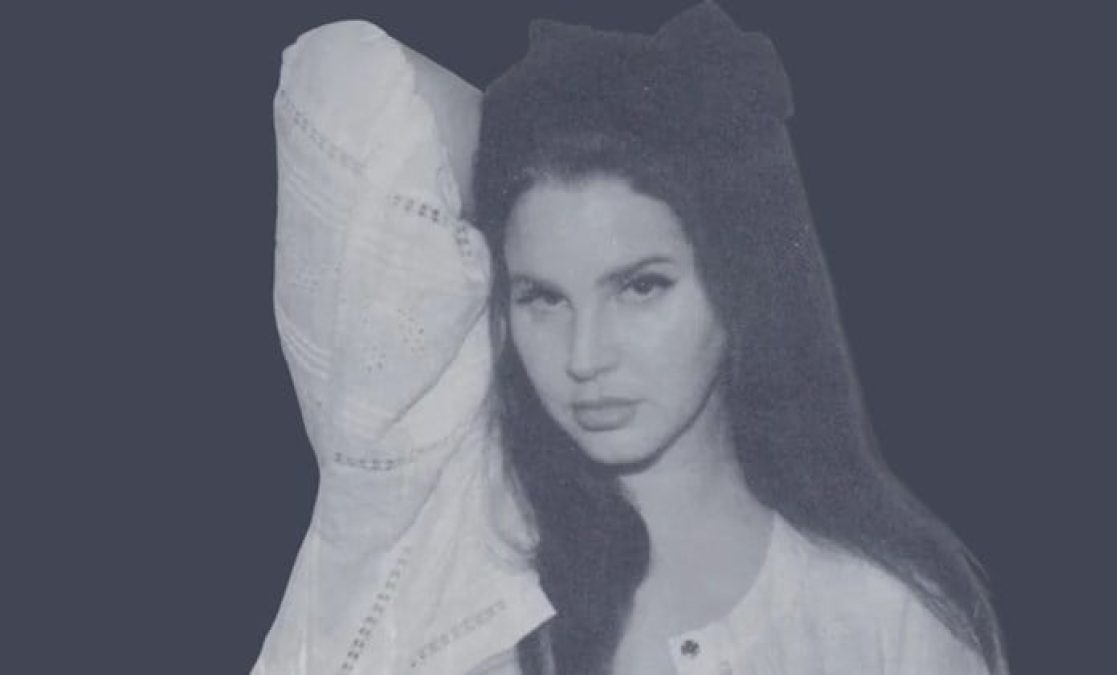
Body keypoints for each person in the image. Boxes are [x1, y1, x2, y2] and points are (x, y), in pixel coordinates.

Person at [255, 3, 1006, 674]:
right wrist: (536, 127)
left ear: (739, 277)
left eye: (640, 287)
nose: (585, 356)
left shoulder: (883, 615)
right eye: (543, 297)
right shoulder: (447, 546)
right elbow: (342, 77)